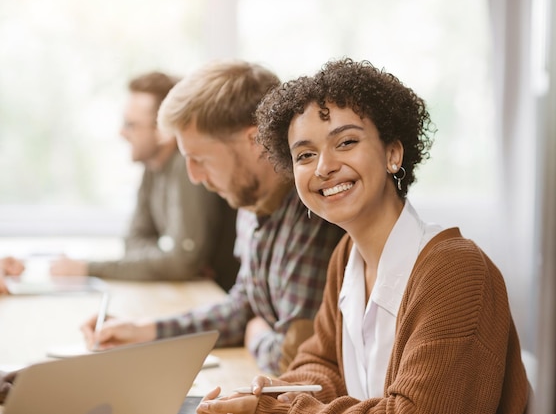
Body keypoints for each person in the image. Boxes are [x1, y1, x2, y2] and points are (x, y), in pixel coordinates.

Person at [197, 58, 530, 414]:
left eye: (346, 142)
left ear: (392, 154)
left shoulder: (456, 271)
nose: (324, 167)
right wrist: (273, 393)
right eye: (306, 154)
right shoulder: (347, 257)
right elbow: (324, 367)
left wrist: (276, 411)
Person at [79, 61, 345, 375]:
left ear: (255, 141)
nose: (193, 176)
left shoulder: (311, 216)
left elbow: (295, 360)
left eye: (199, 159)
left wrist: (255, 335)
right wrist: (145, 331)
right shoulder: (249, 202)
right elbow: (245, 307)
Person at [49, 72, 240, 290]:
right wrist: (166, 258)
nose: (122, 132)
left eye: (131, 124)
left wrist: (88, 268)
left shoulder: (186, 167)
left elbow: (182, 262)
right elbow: (133, 242)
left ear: (165, 130)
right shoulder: (153, 168)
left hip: (220, 299)